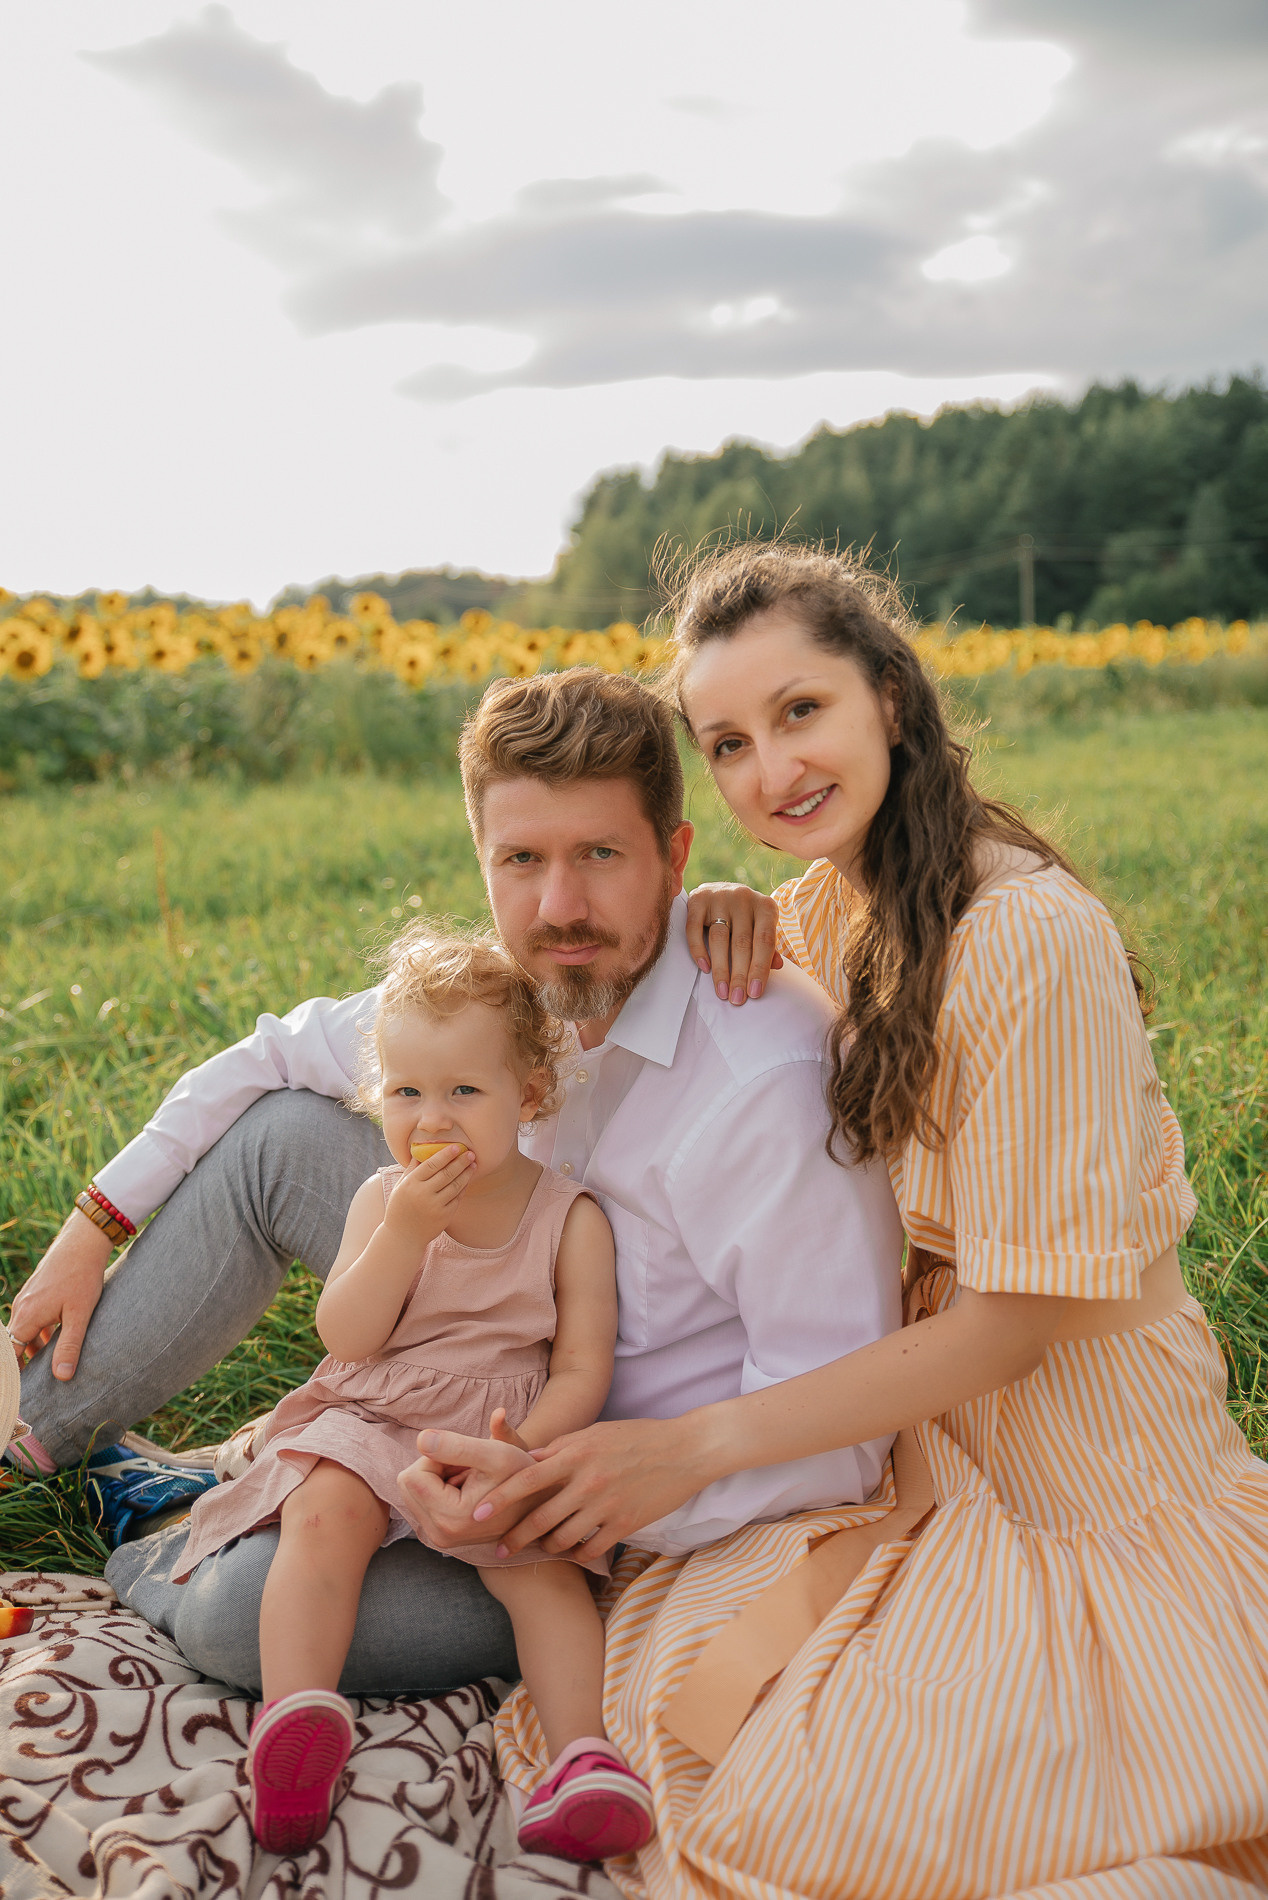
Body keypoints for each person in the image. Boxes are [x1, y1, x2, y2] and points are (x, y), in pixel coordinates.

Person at [473, 544, 1268, 1898]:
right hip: (919, 1426)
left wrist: (687, 1445)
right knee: (683, 1715)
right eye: (728, 742)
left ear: (889, 696)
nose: (769, 771)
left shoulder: (1029, 939)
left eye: (801, 713)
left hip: (1082, 1454)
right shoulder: (832, 900)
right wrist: (705, 906)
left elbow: (1014, 1331)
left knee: (798, 1816)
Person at [5, 667, 902, 1702]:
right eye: (520, 860)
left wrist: (565, 1495)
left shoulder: (764, 1084)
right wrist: (92, 1223)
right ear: (482, 859)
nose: (558, 907)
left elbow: (838, 1435)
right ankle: (25, 1436)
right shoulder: (513, 999)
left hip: (585, 1494)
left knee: (246, 1619)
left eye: (599, 855)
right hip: (455, 1351)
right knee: (284, 1134)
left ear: (673, 857)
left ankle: (163, 1525)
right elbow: (268, 1053)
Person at [173, 924, 654, 1861]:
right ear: (376, 1094)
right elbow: (344, 1339)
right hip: (377, 1414)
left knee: (545, 1577)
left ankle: (584, 1757)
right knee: (323, 1517)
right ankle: (295, 1724)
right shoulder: (382, 1199)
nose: (430, 1120)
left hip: (500, 1430)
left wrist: (517, 1455)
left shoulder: (569, 1217)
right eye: (405, 1092)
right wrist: (399, 1235)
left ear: (533, 1092)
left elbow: (583, 1370)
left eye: (464, 1092)